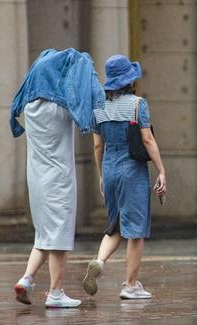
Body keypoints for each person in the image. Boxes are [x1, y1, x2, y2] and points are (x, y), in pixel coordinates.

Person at [10, 48, 105, 307]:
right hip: (59, 179)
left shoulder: (30, 107)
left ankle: (26, 280)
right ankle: (55, 293)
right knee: (60, 237)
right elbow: (85, 97)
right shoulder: (60, 109)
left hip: (36, 179)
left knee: (44, 235)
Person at [82, 54, 166, 299]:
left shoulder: (98, 106)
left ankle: (100, 261)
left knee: (115, 225)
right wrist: (161, 170)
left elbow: (98, 146)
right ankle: (130, 285)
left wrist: (101, 174)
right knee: (136, 230)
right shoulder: (138, 104)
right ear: (130, 80)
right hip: (132, 170)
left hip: (109, 168)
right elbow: (148, 140)